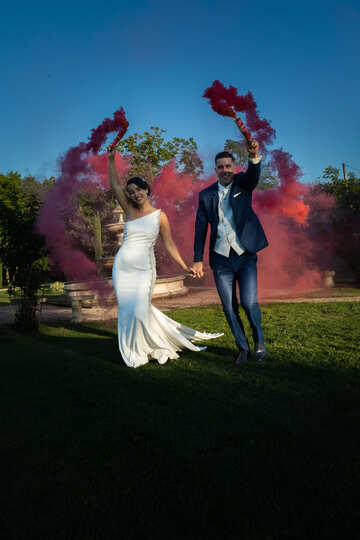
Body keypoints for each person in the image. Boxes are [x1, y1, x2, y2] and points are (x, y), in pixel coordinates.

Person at [107, 147, 222, 368]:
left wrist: (184, 265)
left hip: (143, 269)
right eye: (130, 192)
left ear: (147, 190)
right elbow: (114, 185)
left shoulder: (160, 216)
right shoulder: (129, 209)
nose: (134, 194)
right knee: (128, 311)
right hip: (122, 268)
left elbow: (169, 244)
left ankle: (156, 346)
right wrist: (111, 159)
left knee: (140, 309)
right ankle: (135, 348)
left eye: (138, 189)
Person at [191, 118, 268, 365]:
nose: (225, 170)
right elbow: (201, 228)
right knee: (228, 307)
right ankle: (242, 348)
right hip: (220, 259)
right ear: (215, 170)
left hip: (245, 256)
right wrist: (197, 260)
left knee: (248, 302)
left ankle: (259, 342)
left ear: (234, 167)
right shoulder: (206, 195)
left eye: (228, 166)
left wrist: (254, 155)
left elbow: (254, 173)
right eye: (220, 166)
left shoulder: (243, 185)